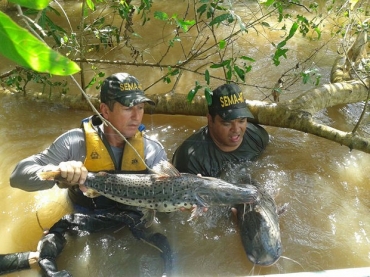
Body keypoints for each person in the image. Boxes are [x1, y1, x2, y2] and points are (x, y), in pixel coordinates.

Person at [9, 73, 172, 276]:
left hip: (131, 219)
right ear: (105, 110)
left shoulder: (152, 151)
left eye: (140, 107)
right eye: (128, 108)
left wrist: (188, 196)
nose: (136, 116)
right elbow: (17, 176)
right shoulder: (74, 143)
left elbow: (167, 201)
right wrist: (59, 172)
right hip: (84, 218)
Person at [172, 83, 269, 177]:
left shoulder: (257, 136)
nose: (236, 129)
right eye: (227, 123)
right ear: (210, 120)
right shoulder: (190, 160)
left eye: (242, 120)